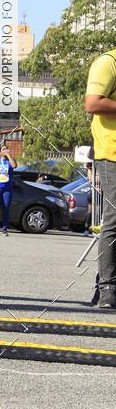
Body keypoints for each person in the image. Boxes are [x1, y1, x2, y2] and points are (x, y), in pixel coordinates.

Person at [85, 50, 116, 308]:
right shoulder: (108, 63)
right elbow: (92, 103)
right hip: (112, 154)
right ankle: (107, 290)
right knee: (114, 220)